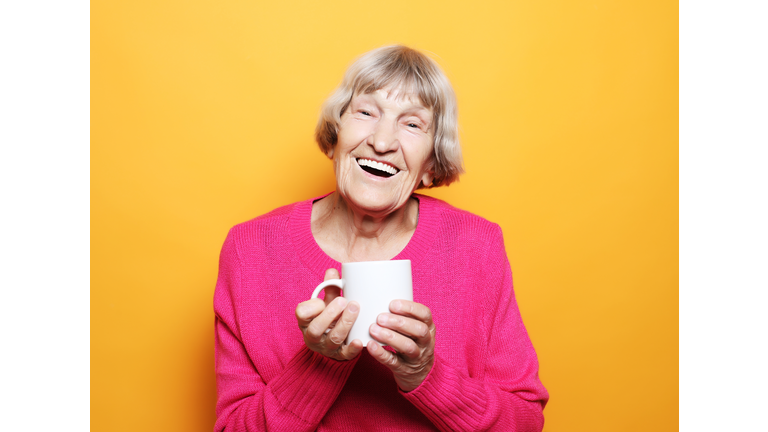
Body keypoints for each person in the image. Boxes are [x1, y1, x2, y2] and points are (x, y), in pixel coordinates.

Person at [213, 45, 549, 432]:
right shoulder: (249, 249)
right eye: (367, 112)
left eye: (412, 124)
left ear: (430, 164)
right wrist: (321, 364)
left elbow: (524, 422)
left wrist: (425, 374)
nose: (383, 141)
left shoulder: (477, 246)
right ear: (335, 134)